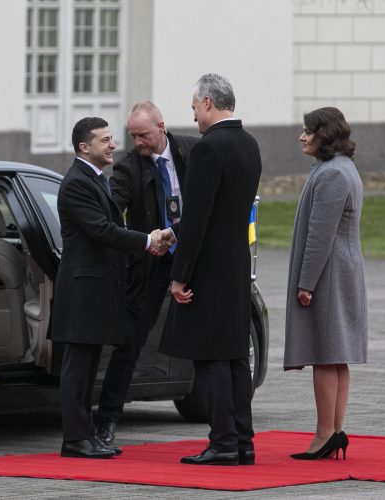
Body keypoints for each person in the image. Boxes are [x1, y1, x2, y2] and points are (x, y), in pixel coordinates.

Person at [50, 117, 171, 459]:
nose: (113, 145)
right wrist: (148, 240)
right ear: (84, 147)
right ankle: (75, 439)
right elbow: (102, 230)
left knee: (88, 367)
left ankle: (84, 437)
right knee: (78, 367)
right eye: (105, 140)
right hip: (82, 291)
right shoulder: (77, 183)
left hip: (95, 292)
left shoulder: (95, 179)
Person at [159, 73, 262, 466]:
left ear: (207, 103)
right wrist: (172, 232)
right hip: (236, 264)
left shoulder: (208, 149)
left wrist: (179, 275)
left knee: (212, 358)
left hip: (209, 270)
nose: (195, 117)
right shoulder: (249, 144)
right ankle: (242, 441)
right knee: (236, 356)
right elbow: (225, 211)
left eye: (194, 109)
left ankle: (221, 442)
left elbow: (200, 216)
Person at [96, 102, 198, 445]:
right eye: (132, 136)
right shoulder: (127, 169)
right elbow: (113, 208)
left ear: (161, 127)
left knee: (213, 337)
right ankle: (107, 421)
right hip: (152, 262)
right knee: (129, 342)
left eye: (143, 135)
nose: (137, 142)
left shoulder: (192, 151)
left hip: (194, 255)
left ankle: (226, 424)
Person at [283, 107, 368, 460]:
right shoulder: (339, 168)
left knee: (324, 354)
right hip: (339, 272)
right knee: (336, 356)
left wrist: (306, 284)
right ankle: (334, 431)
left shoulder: (332, 174)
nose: (302, 137)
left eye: (308, 131)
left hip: (328, 275)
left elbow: (320, 236)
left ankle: (323, 435)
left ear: (325, 135)